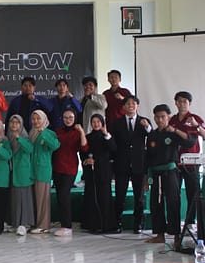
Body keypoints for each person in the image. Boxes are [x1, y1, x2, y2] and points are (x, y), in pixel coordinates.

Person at [145, 104, 195, 248]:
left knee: (173, 202)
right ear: (154, 118)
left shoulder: (173, 132)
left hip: (171, 172)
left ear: (168, 117)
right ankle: (159, 235)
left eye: (163, 117)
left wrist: (176, 130)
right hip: (155, 174)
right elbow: (148, 157)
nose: (160, 120)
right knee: (156, 204)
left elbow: (190, 142)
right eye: (157, 117)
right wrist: (146, 178)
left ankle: (176, 235)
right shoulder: (151, 135)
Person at [110, 95, 151, 233]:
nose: (131, 105)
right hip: (121, 164)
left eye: (133, 103)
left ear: (137, 105)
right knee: (120, 195)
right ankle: (117, 223)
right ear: (123, 107)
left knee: (139, 197)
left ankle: (138, 224)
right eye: (128, 103)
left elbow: (151, 136)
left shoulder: (144, 121)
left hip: (139, 164)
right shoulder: (117, 123)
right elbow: (113, 143)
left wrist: (147, 127)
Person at [170, 91, 205, 229]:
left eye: (185, 101)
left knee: (193, 193)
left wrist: (196, 125)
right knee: (174, 194)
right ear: (175, 103)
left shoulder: (195, 118)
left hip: (191, 163)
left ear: (189, 103)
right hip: (175, 163)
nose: (182, 104)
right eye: (179, 101)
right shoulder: (172, 120)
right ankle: (175, 225)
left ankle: (190, 223)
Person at [52, 109, 87, 236]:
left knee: (64, 195)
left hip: (70, 168)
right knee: (59, 196)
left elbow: (84, 147)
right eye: (65, 117)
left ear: (75, 118)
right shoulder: (57, 132)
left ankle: (67, 226)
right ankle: (63, 224)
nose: (68, 120)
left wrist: (81, 131)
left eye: (71, 117)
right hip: (57, 167)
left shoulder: (77, 132)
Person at [81, 114, 117, 233]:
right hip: (91, 172)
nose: (96, 124)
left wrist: (106, 134)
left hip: (104, 171)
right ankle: (92, 224)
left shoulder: (107, 136)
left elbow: (113, 148)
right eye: (94, 122)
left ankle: (106, 224)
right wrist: (87, 160)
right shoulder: (88, 137)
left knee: (104, 198)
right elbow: (83, 152)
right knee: (91, 197)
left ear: (102, 123)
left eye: (98, 122)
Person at [29, 110, 60, 234]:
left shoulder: (49, 133)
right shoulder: (32, 132)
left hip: (43, 169)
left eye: (38, 119)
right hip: (32, 170)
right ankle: (37, 223)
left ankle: (44, 225)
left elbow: (55, 146)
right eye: (33, 119)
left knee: (42, 199)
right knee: (36, 198)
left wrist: (44, 135)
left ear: (44, 119)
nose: (36, 121)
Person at [7, 115, 35, 236]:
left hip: (23, 171)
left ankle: (24, 224)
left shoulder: (25, 136)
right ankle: (16, 223)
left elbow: (30, 149)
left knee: (24, 198)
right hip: (12, 171)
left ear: (21, 124)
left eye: (17, 122)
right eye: (12, 122)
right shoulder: (8, 136)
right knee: (15, 198)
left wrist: (19, 139)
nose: (14, 125)